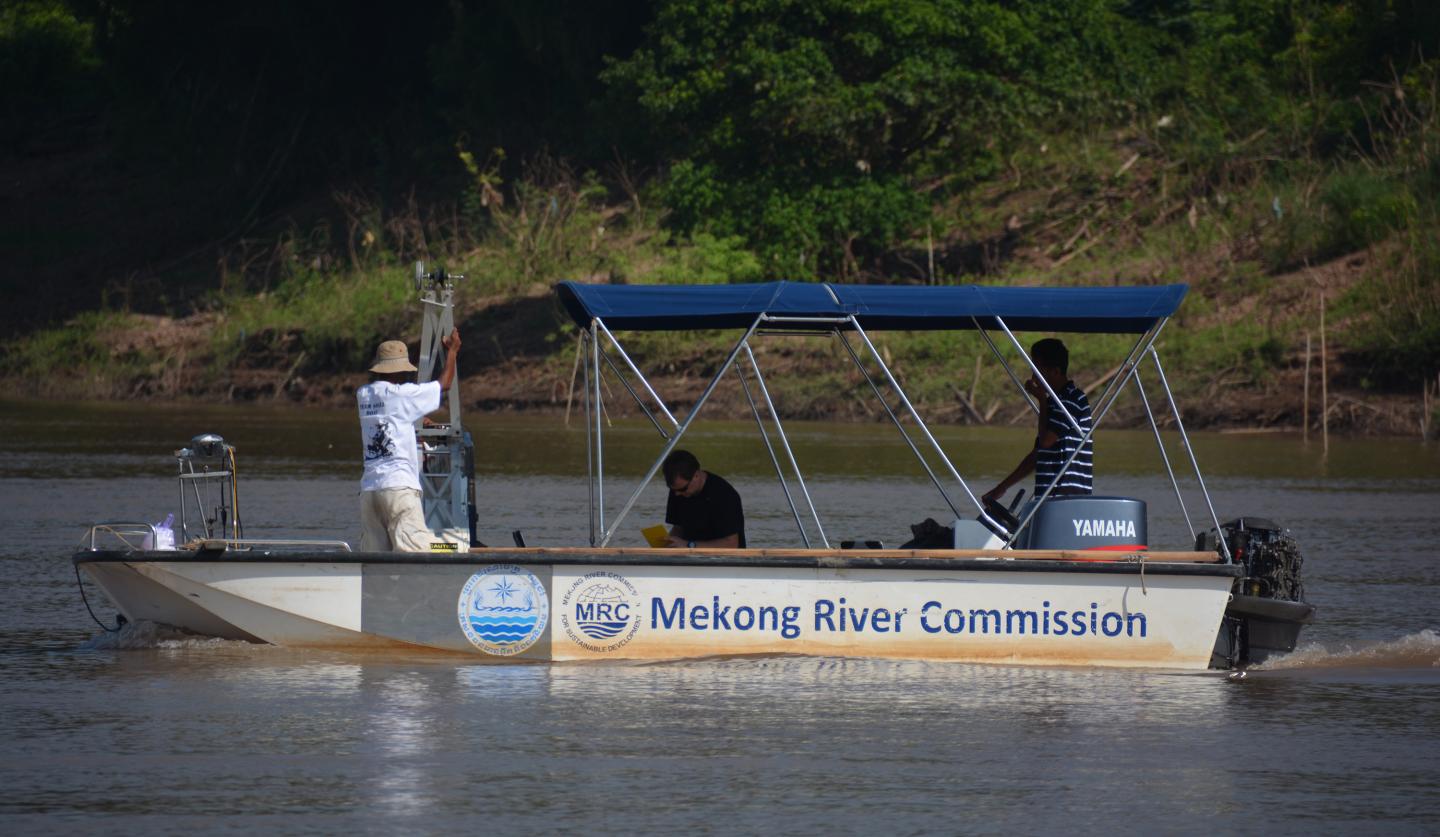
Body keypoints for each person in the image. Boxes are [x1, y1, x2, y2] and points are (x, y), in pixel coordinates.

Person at [356, 331, 461, 551]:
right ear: (401, 370)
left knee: (373, 562)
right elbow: (444, 385)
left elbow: (390, 414)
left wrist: (417, 417)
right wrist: (452, 352)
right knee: (415, 554)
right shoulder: (403, 395)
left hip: (370, 489)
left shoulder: (364, 394)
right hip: (399, 487)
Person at [982, 338, 1093, 509]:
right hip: (1048, 498)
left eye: (1037, 370)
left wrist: (1042, 400)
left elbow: (1046, 441)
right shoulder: (1053, 403)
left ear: (1055, 371)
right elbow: (1038, 454)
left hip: (1067, 498)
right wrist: (1001, 488)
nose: (1033, 377)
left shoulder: (1072, 398)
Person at [662, 449, 746, 549]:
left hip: (724, 561)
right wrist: (668, 544)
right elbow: (678, 528)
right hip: (687, 557)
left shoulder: (724, 495)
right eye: (672, 489)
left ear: (696, 475)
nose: (677, 494)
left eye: (682, 489)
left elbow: (731, 544)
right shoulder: (677, 489)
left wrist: (689, 545)